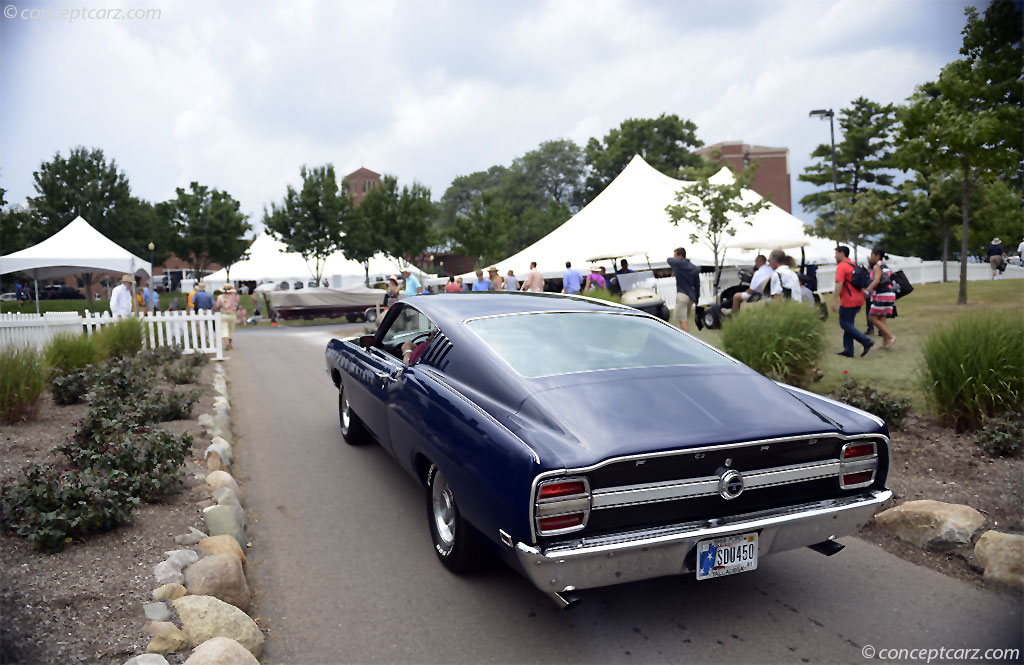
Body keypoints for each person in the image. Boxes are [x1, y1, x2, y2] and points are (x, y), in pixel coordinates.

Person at [832, 246, 874, 358]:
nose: (835, 256)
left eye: (836, 253)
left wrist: (834, 300)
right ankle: (848, 350)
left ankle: (866, 341)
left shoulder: (841, 266)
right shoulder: (853, 264)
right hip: (858, 298)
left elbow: (839, 284)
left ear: (842, 253)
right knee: (849, 324)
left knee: (844, 324)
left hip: (848, 300)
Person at [865, 247, 897, 349]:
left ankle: (891, 337)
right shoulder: (885, 266)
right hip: (890, 294)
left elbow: (877, 280)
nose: (871, 257)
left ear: (877, 255)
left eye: (872, 255)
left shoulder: (877, 266)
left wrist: (867, 290)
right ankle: (885, 342)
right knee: (882, 319)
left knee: (872, 317)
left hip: (882, 294)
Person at [667, 247, 700, 332]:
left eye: (675, 255)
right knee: (685, 319)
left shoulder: (678, 265)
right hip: (691, 297)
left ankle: (687, 340)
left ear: (680, 255)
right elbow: (697, 285)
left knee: (682, 320)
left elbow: (669, 260)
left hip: (682, 295)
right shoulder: (694, 268)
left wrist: (679, 261)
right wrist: (697, 297)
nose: (674, 257)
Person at [213, 284, 240, 350]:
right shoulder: (234, 297)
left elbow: (217, 305)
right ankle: (230, 344)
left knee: (224, 329)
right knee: (231, 329)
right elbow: (237, 302)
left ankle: (227, 343)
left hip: (223, 314)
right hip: (232, 314)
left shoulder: (220, 297)